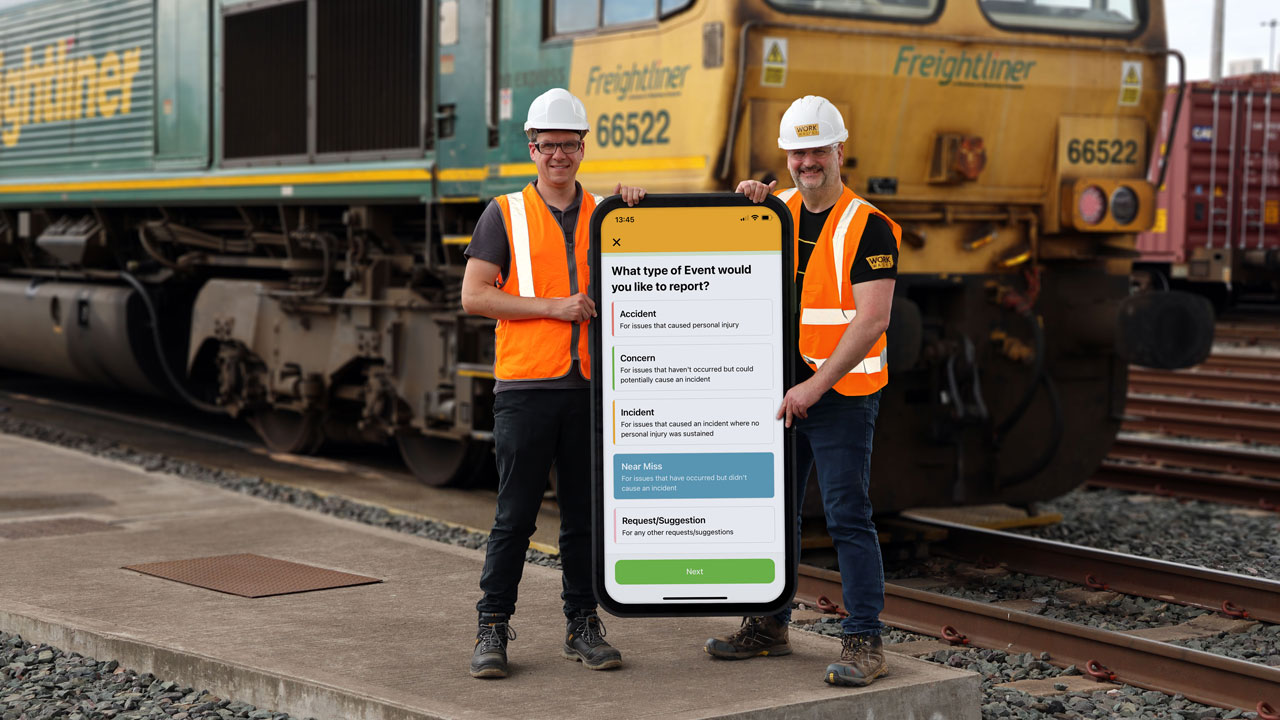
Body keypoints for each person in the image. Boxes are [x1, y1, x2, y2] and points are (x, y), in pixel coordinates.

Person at [704, 95, 900, 687]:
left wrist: (813, 387)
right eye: (798, 151)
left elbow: (872, 320)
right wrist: (742, 206)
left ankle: (865, 641)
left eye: (818, 150)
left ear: (839, 151)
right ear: (786, 157)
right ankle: (768, 627)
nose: (807, 161)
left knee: (847, 518)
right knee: (772, 515)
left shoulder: (869, 224)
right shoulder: (774, 211)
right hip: (778, 395)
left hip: (838, 396)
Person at [461, 87, 645, 679]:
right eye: (549, 146)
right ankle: (492, 628)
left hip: (590, 388)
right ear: (532, 149)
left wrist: (640, 205)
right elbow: (474, 296)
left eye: (569, 144)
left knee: (582, 519)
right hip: (526, 388)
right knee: (514, 515)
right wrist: (551, 308)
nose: (558, 155)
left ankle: (582, 625)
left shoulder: (609, 213)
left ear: (583, 148)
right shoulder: (503, 213)